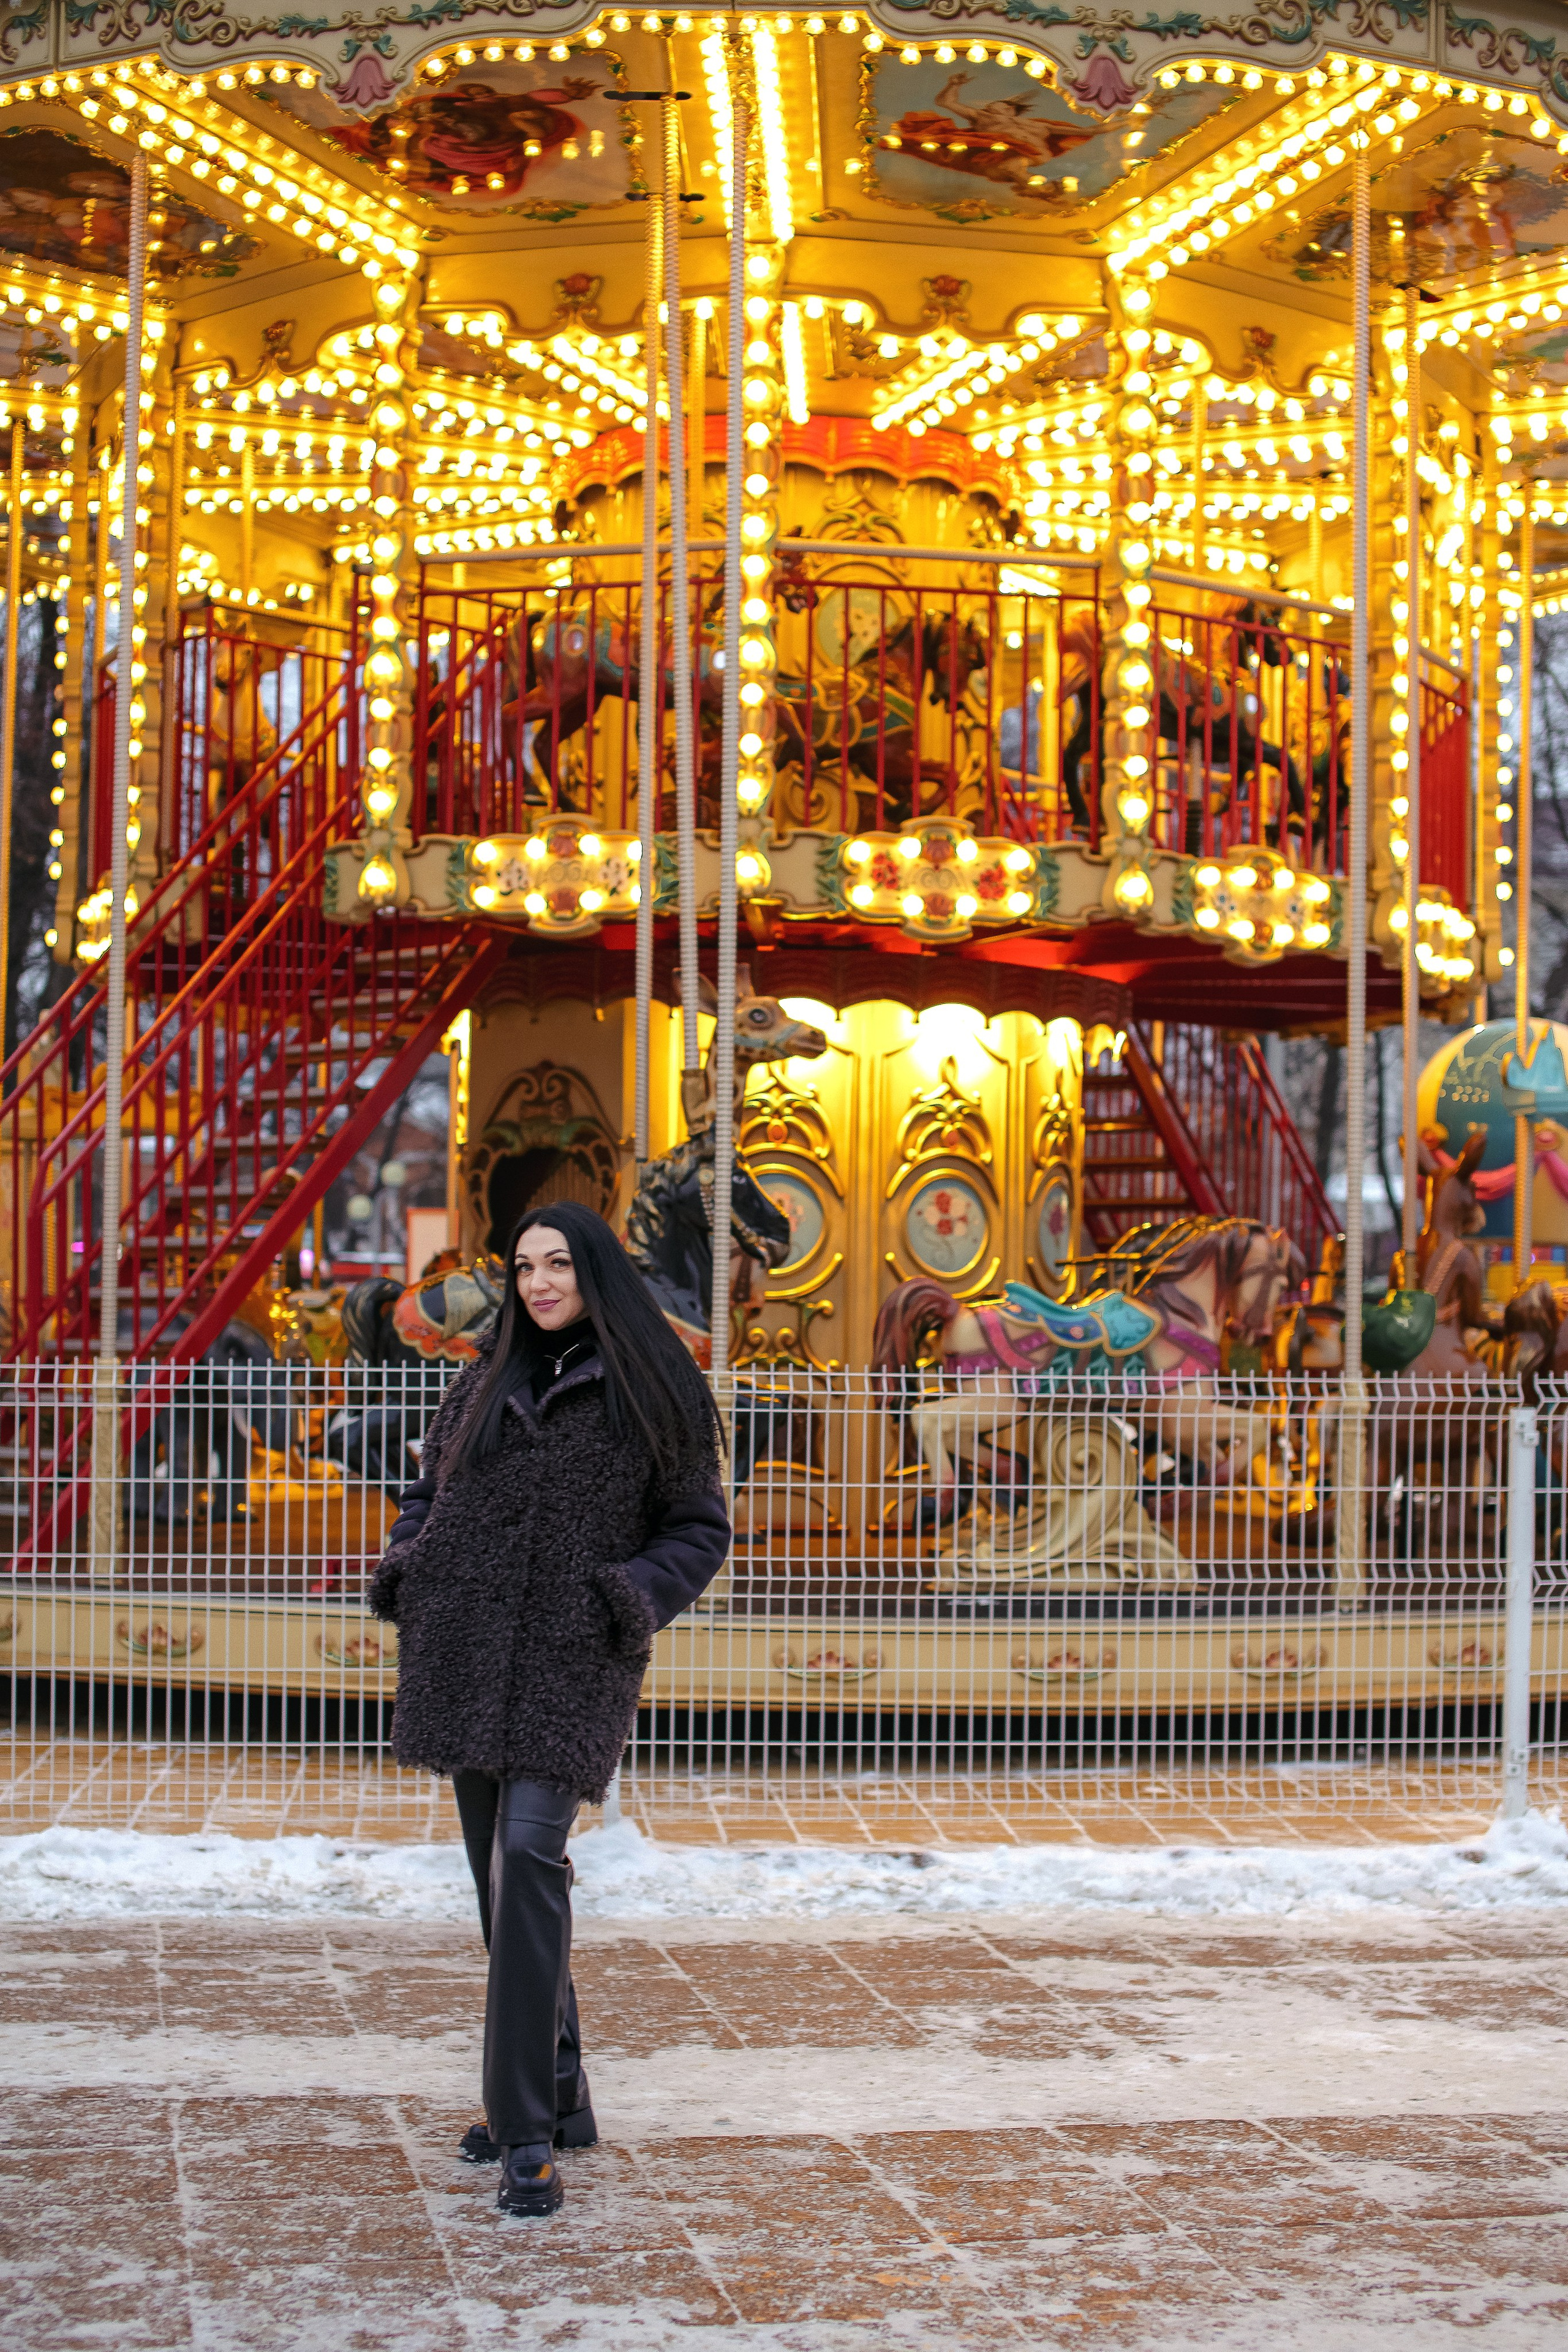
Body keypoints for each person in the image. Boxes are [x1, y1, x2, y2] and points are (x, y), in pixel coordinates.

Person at [368, 1201, 730, 2218]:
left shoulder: (656, 1386)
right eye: (525, 1266)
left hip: (573, 1658)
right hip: (466, 1650)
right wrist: (410, 1567)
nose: (538, 1284)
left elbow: (699, 1528)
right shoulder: (481, 1380)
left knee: (530, 1857)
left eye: (558, 1264)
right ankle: (562, 2091)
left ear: (595, 1271)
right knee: (502, 1883)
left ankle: (523, 2130)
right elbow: (426, 1495)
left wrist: (626, 1599)